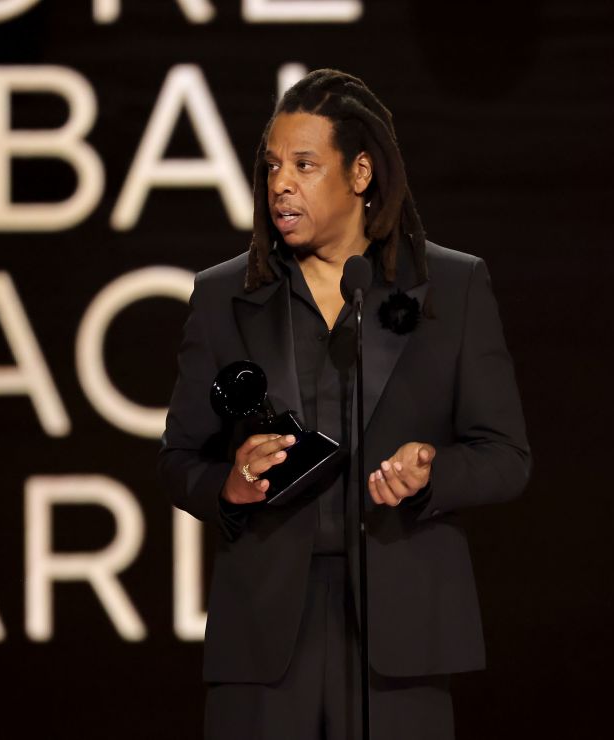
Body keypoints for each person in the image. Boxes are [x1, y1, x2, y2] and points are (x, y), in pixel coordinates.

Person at [158, 69, 530, 740]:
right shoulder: (223, 297)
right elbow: (179, 459)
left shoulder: (451, 286)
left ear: (361, 174)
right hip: (266, 638)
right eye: (272, 166)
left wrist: (432, 471)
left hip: (403, 637)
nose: (280, 184)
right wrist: (231, 486)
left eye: (304, 165)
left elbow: (506, 457)